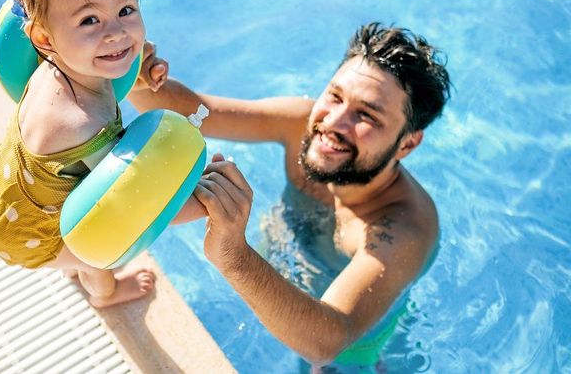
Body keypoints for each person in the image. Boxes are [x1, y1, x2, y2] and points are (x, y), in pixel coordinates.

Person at [129, 23, 451, 366]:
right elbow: (191, 109)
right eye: (335, 96)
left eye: (366, 115)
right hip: (281, 273)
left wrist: (232, 254)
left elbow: (329, 341)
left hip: (352, 348)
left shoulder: (403, 228)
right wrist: (135, 74)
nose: (333, 123)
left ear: (408, 143)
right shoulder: (301, 123)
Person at [0, 0, 203, 308]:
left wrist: (141, 73)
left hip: (2, 194)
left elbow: (109, 69)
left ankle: (72, 262)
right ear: (45, 38)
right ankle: (104, 296)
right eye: (89, 21)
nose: (116, 34)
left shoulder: (51, 64)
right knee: (95, 256)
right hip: (30, 234)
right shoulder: (81, 124)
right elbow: (128, 203)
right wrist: (204, 199)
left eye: (126, 11)